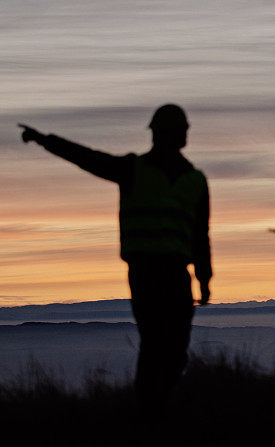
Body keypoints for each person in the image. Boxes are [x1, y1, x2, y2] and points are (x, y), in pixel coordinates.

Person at [18, 104, 212, 413]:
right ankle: (150, 413)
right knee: (154, 344)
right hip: (146, 271)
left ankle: (157, 407)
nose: (185, 134)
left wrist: (204, 277)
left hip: (175, 274)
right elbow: (87, 158)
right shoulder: (134, 169)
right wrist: (46, 140)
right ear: (168, 133)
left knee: (175, 350)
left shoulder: (196, 181)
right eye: (181, 129)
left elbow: (201, 235)